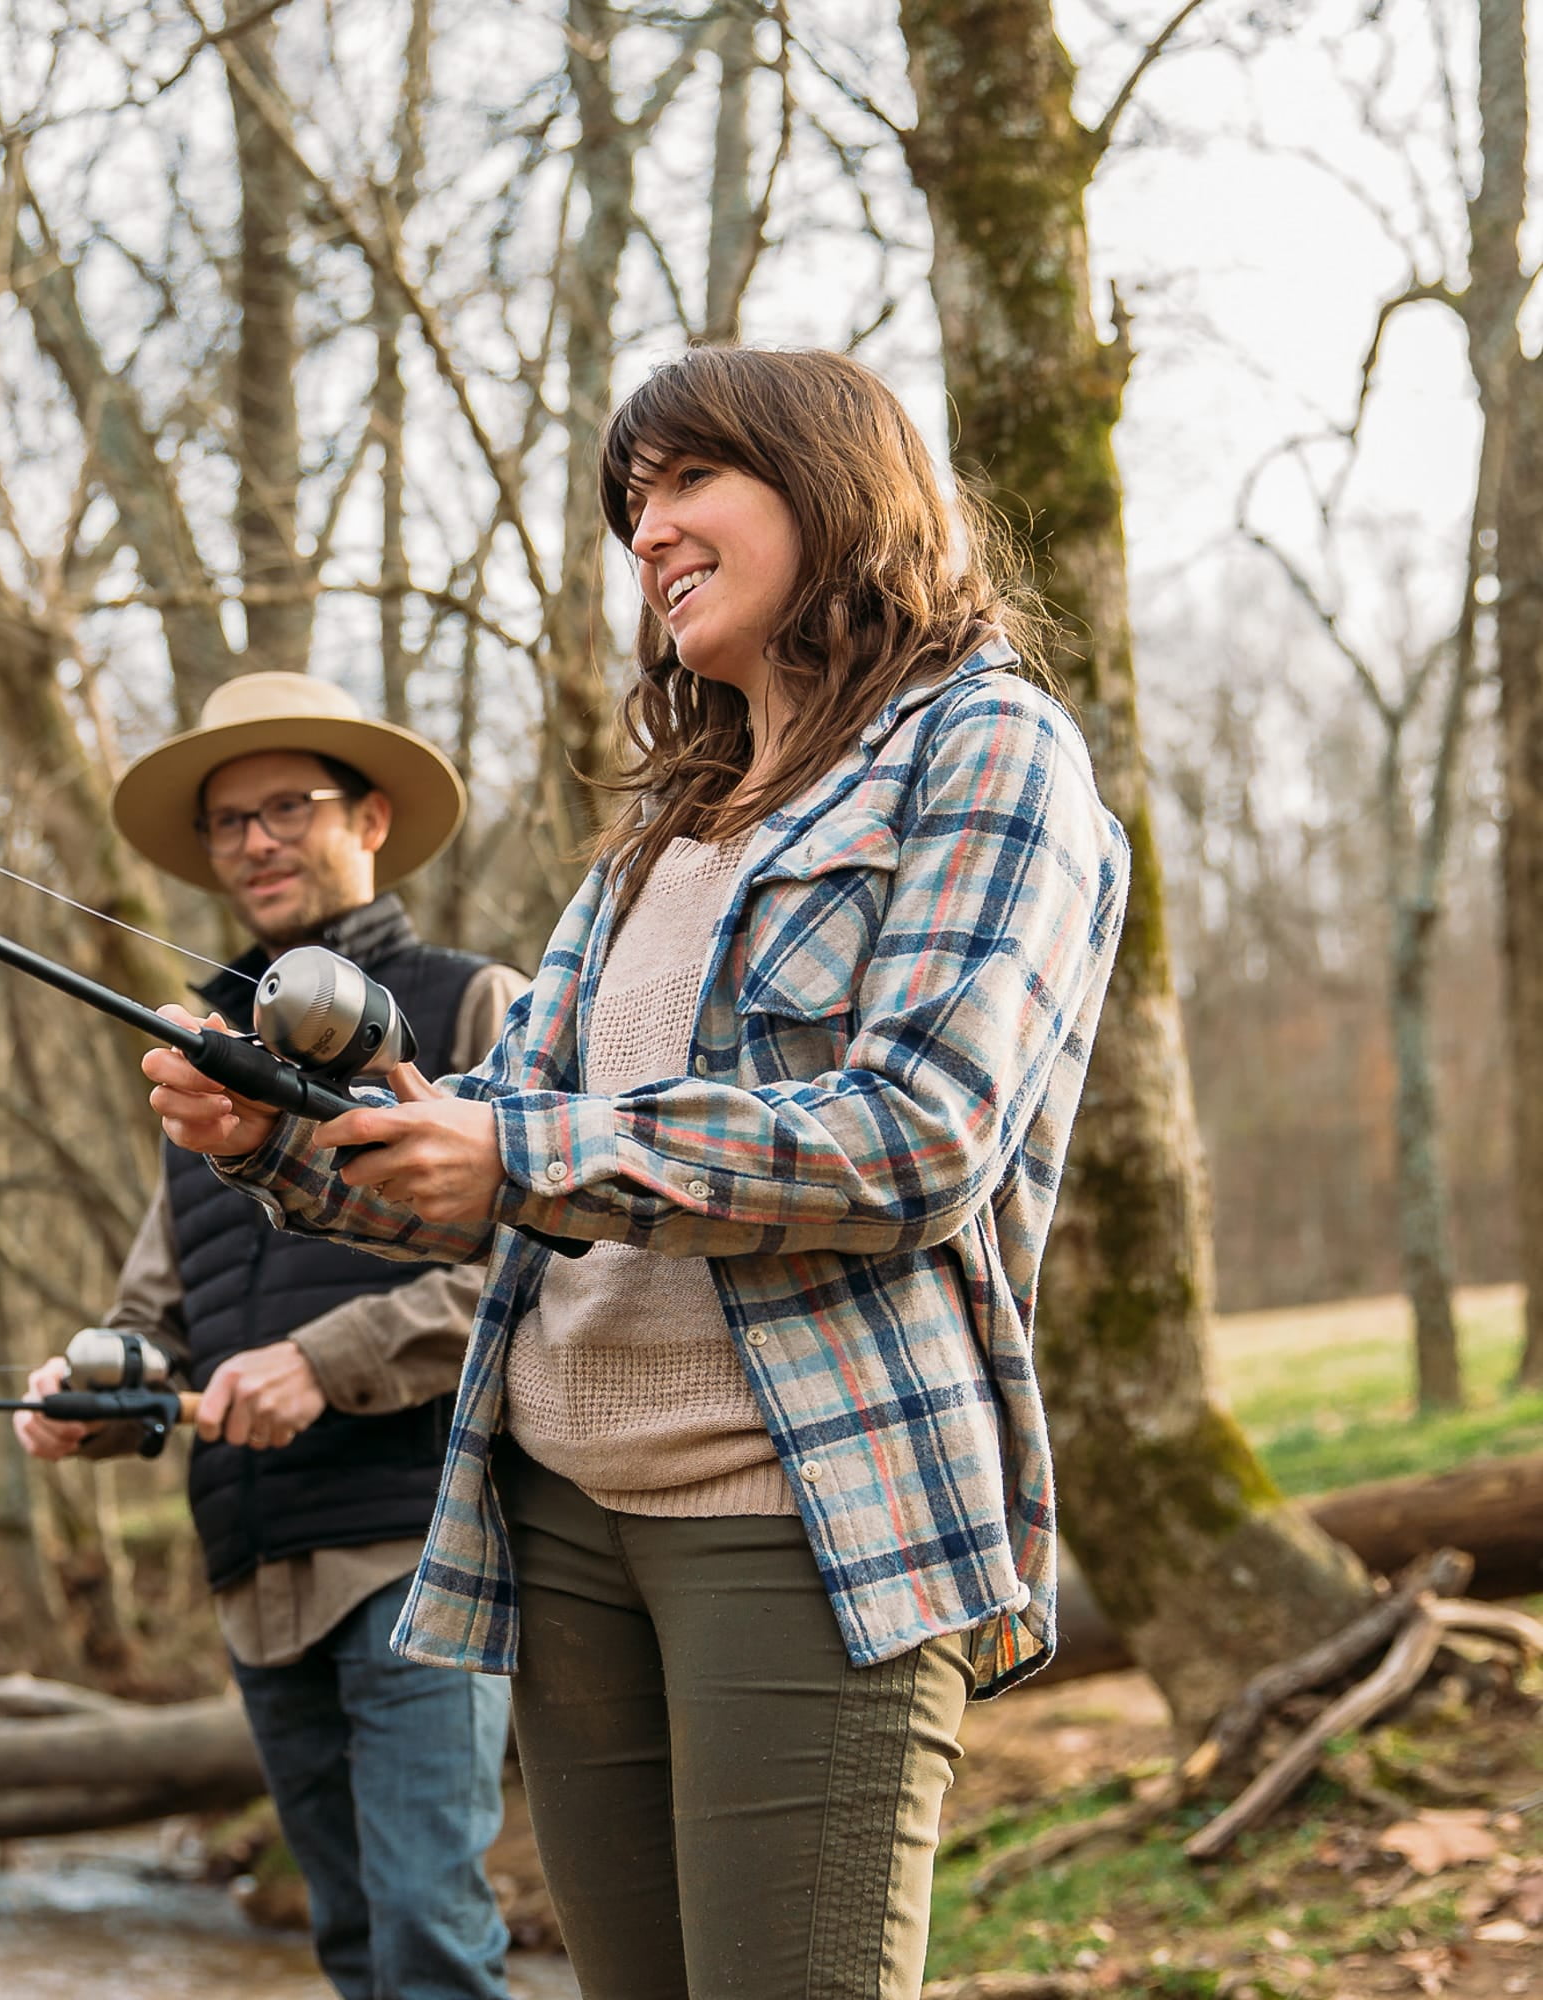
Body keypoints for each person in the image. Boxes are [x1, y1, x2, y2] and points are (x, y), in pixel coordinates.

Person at [138, 348, 1132, 2000]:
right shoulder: (660, 833)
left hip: (801, 1506)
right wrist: (289, 1146)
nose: (648, 532)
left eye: (687, 485)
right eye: (631, 505)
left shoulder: (989, 749)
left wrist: (516, 1143)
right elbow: (501, 1151)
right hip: (556, 1511)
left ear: (833, 490)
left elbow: (918, 1136)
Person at [15, 670, 523, 2000]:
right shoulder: (193, 1065)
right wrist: (86, 1389)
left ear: (369, 813)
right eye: (228, 823)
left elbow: (547, 1267)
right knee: (356, 1950)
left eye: (285, 807)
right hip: (254, 1567)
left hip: (424, 1544)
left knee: (430, 1936)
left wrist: (325, 1363)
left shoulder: (474, 1008)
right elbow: (152, 1312)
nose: (254, 841)